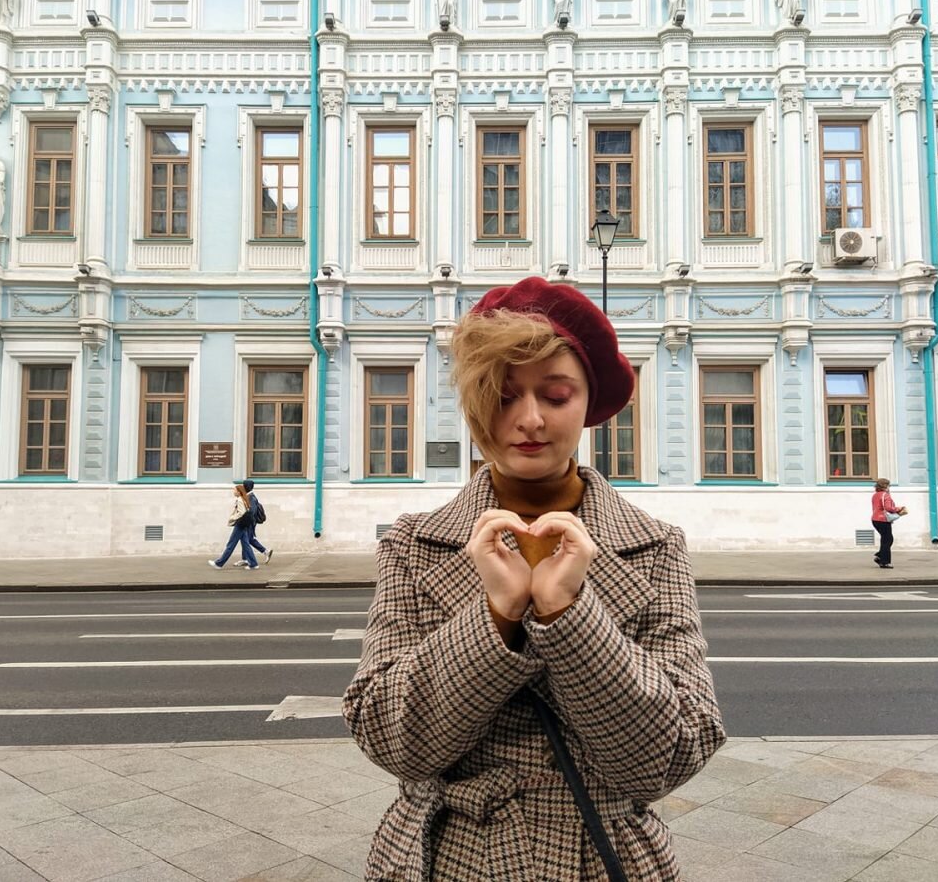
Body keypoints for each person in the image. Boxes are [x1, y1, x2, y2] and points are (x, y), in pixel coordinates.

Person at [343, 276, 725, 880]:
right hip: (446, 857)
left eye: (555, 394)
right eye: (502, 395)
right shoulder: (414, 545)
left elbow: (671, 757)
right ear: (474, 404)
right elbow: (393, 744)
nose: (530, 420)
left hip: (600, 857)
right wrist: (494, 617)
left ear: (585, 403)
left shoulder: (654, 546)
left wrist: (569, 617)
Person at [237, 479, 272, 570]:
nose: (243, 487)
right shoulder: (250, 496)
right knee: (247, 539)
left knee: (247, 540)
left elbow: (251, 511)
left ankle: (264, 552)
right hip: (250, 522)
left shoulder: (251, 497)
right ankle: (245, 559)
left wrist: (245, 520)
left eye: (244, 486)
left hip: (249, 522)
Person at [871, 478, 906, 569]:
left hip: (875, 519)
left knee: (885, 539)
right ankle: (884, 561)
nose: (889, 487)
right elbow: (889, 508)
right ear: (885, 486)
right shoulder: (885, 495)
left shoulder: (875, 495)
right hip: (883, 520)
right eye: (888, 485)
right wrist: (899, 508)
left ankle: (880, 557)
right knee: (888, 540)